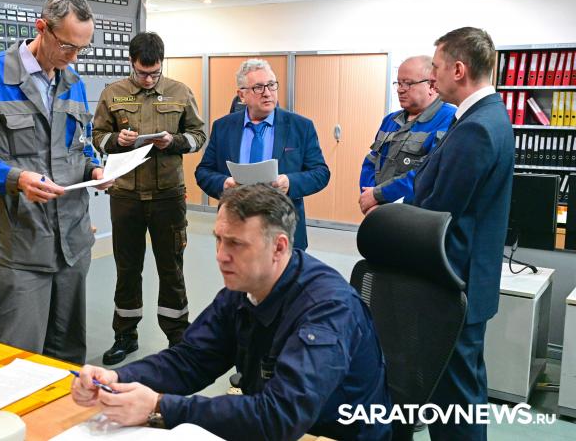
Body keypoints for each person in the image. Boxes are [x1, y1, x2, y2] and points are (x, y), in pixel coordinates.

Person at [71, 184, 391, 441]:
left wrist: (159, 406)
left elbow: (280, 417)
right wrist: (119, 378)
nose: (221, 256)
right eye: (219, 240)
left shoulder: (326, 309)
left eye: (236, 244)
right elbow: (191, 359)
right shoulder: (244, 288)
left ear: (279, 247)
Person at [0, 0, 110, 364]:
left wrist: (95, 169)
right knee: (17, 362)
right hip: (20, 248)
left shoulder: (74, 81)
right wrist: (16, 179)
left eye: (82, 49)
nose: (74, 57)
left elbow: (80, 149)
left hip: (72, 246)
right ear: (42, 28)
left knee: (67, 357)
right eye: (68, 46)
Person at [411, 27, 514, 439]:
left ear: (458, 69)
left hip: (454, 281)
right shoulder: (489, 115)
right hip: (471, 278)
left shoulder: (476, 127)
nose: (431, 76)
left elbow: (439, 210)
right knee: (463, 391)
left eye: (435, 67)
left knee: (454, 400)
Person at [92, 32, 206, 365]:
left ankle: (178, 338)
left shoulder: (180, 92)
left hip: (168, 196)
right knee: (127, 269)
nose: (148, 79)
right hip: (125, 195)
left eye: (154, 73)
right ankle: (125, 336)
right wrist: (118, 140)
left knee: (171, 268)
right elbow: (98, 137)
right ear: (132, 62)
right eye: (142, 73)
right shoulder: (112, 94)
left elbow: (199, 136)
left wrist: (174, 141)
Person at [195, 59, 329, 250]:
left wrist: (289, 182)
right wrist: (225, 184)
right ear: (242, 95)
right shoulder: (223, 127)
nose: (267, 93)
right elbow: (203, 172)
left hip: (282, 229)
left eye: (271, 85)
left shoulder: (300, 126)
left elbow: (321, 173)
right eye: (258, 87)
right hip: (236, 228)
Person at [359, 56, 455, 214]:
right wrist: (369, 199)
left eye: (408, 83)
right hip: (377, 212)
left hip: (414, 216)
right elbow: (371, 161)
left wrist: (378, 195)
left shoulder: (450, 119)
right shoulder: (390, 120)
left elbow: (428, 173)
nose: (400, 89)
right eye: (398, 83)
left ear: (431, 86)